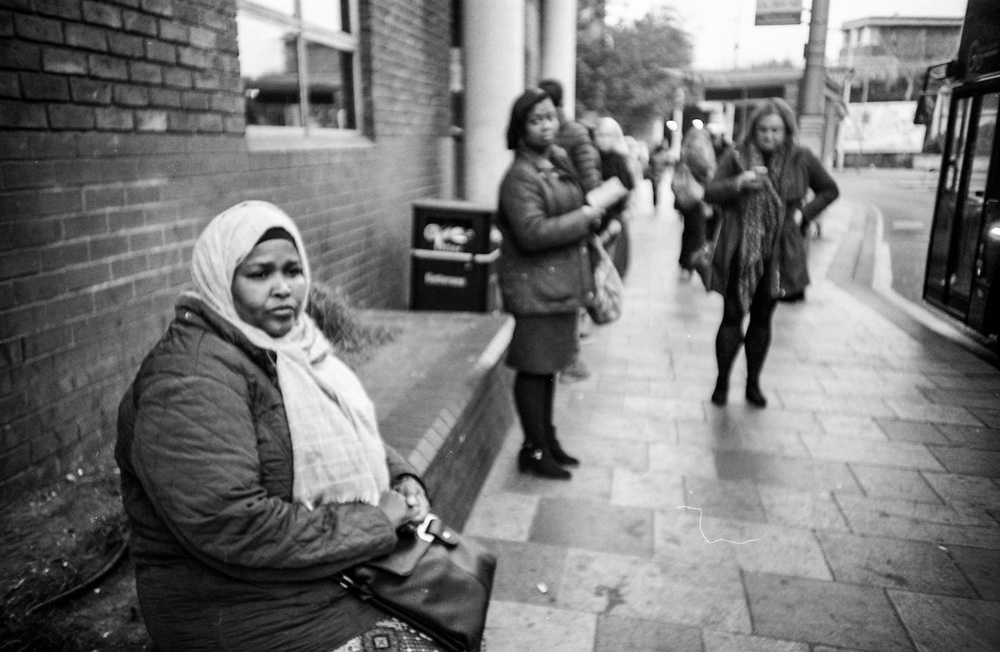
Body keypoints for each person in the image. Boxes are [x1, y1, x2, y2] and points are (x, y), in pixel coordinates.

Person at [115, 201, 442, 651]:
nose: (283, 288)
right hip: (236, 607)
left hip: (309, 580)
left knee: (453, 609)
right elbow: (233, 525)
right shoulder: (190, 380)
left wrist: (400, 477)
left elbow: (341, 431)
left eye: (293, 270)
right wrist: (375, 521)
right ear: (219, 280)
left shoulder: (286, 347)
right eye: (259, 274)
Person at [495, 88, 605, 480]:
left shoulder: (555, 159)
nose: (546, 125)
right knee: (534, 369)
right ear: (520, 128)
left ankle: (547, 440)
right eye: (535, 120)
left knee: (549, 369)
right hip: (535, 289)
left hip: (558, 284)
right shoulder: (519, 176)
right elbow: (531, 232)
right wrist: (584, 217)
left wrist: (596, 210)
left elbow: (572, 204)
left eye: (550, 117)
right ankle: (534, 449)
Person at [703, 98, 839, 408]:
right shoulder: (737, 156)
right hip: (740, 248)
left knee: (763, 318)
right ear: (753, 130)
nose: (769, 136)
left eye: (776, 130)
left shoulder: (801, 158)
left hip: (779, 252)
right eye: (763, 129)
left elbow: (829, 189)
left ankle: (753, 384)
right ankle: (722, 383)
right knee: (732, 316)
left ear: (787, 130)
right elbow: (710, 192)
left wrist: (802, 214)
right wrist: (739, 182)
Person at [538, 78, 601, 384]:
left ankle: (568, 357)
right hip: (554, 221)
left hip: (574, 221)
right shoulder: (562, 134)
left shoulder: (572, 134)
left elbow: (589, 180)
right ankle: (563, 357)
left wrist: (591, 217)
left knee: (570, 290)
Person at [593, 117, 637, 279]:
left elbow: (628, 192)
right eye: (600, 135)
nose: (603, 139)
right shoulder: (592, 159)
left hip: (614, 224)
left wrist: (618, 219)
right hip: (596, 222)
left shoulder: (621, 162)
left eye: (607, 135)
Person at [674, 127, 718, 280]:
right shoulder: (696, 153)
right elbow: (706, 172)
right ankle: (691, 266)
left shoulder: (685, 151)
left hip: (688, 197)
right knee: (697, 234)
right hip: (696, 197)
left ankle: (685, 264)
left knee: (689, 232)